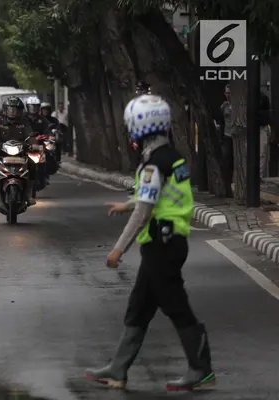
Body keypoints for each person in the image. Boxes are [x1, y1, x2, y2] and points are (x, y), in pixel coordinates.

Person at [85, 94, 215, 391]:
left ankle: (201, 368)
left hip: (162, 244)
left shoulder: (152, 165)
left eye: (130, 125)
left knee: (176, 305)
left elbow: (145, 211)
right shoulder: (172, 156)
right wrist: (126, 204)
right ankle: (117, 369)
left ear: (140, 127)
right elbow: (158, 196)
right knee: (139, 307)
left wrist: (118, 249)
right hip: (169, 241)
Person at [0, 97, 35, 206]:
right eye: (10, 109)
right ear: (5, 110)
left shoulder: (24, 122)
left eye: (15, 109)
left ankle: (28, 194)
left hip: (21, 153)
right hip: (2, 153)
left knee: (33, 166)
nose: (12, 111)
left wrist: (34, 144)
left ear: (19, 111)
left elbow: (30, 135)